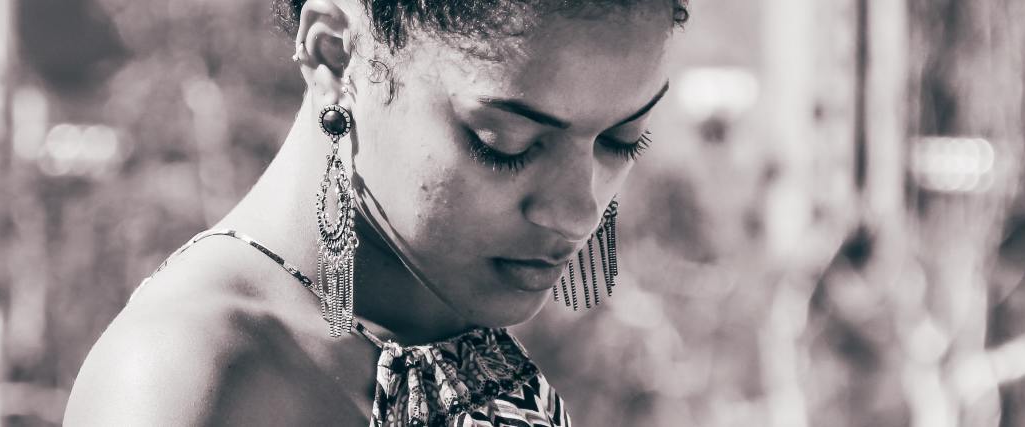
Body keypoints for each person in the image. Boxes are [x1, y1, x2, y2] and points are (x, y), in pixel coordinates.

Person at [63, 0, 687, 425]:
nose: (577, 211)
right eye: (505, 143)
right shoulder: (184, 377)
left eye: (622, 139)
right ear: (337, 56)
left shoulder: (442, 322)